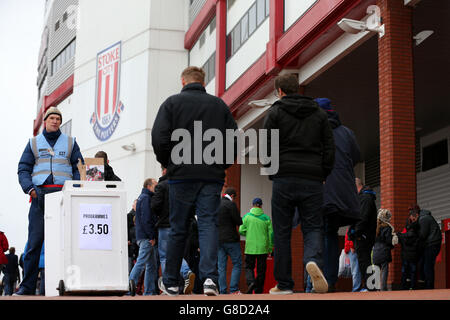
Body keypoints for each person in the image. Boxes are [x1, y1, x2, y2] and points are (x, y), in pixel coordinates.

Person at [152, 66, 238, 296]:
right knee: (208, 224)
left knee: (178, 227)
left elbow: (159, 137)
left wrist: (169, 163)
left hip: (181, 175)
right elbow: (233, 139)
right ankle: (211, 279)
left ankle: (170, 281)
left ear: (183, 81)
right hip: (211, 175)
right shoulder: (219, 106)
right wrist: (221, 164)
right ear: (203, 82)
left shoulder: (171, 104)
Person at [263, 74, 335, 294]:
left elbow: (268, 147)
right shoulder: (319, 114)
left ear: (280, 91)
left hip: (284, 178)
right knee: (313, 226)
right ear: (298, 89)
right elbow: (329, 148)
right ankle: (312, 261)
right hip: (312, 178)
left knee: (282, 231)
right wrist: (323, 172)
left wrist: (272, 172)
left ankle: (284, 284)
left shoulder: (274, 113)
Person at [16, 107, 83, 295]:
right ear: (45, 121)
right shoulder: (34, 143)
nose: (55, 121)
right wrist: (29, 188)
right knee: (34, 244)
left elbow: (79, 167)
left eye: (58, 119)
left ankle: (69, 285)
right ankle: (27, 287)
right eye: (51, 118)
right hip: (39, 197)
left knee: (66, 242)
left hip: (63, 197)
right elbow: (23, 168)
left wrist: (75, 188)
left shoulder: (71, 143)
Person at [315, 97, 361, 292]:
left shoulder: (313, 132)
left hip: (321, 189)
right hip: (341, 192)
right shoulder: (347, 133)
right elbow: (357, 157)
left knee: (317, 233)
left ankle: (317, 279)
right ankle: (330, 280)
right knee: (331, 233)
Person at [151, 167, 196, 295]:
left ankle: (169, 285)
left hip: (165, 225)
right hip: (181, 225)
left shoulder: (162, 186)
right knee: (177, 253)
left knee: (166, 256)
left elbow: (154, 205)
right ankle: (186, 272)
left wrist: (161, 214)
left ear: (164, 170)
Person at [129, 178, 159, 296]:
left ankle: (149, 291)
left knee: (151, 265)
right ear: (149, 186)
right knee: (141, 263)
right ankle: (129, 287)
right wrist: (151, 236)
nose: (156, 188)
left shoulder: (142, 197)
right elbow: (147, 219)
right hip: (147, 237)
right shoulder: (146, 198)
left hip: (142, 236)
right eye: (155, 186)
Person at [239, 198, 273, 294]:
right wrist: (270, 248)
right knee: (261, 271)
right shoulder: (266, 218)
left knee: (249, 267)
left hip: (250, 247)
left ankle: (251, 282)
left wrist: (249, 233)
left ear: (253, 205)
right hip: (263, 248)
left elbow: (241, 230)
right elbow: (271, 234)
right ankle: (258, 290)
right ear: (261, 206)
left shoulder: (246, 217)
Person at [217, 187, 243, 295]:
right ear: (232, 196)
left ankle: (222, 291)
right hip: (231, 239)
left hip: (218, 240)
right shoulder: (230, 205)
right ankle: (234, 290)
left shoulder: (216, 204)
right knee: (237, 263)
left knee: (221, 266)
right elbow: (238, 221)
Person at [354, 178, 377, 291]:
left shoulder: (365, 198)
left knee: (365, 261)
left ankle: (371, 286)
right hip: (366, 234)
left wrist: (356, 231)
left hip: (363, 235)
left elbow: (362, 217)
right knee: (366, 261)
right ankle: (371, 286)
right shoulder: (366, 197)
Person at [410, 204, 442, 289]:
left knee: (428, 266)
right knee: (427, 265)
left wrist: (415, 228)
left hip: (432, 244)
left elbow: (422, 235)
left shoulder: (423, 219)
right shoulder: (425, 217)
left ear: (416, 215)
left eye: (413, 219)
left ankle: (429, 287)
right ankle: (428, 285)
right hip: (433, 243)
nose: (413, 221)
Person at [372, 208, 395, 291]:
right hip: (384, 251)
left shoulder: (375, 228)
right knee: (384, 270)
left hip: (376, 251)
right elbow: (388, 240)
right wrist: (393, 245)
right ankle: (383, 288)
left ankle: (376, 288)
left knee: (377, 271)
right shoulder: (388, 228)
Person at [397, 211, 420, 290]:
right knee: (413, 271)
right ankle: (413, 286)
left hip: (405, 255)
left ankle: (403, 287)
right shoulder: (417, 234)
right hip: (413, 255)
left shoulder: (404, 235)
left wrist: (399, 234)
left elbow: (400, 237)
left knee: (404, 271)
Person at [127, 199, 139, 274]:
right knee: (130, 264)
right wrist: (127, 239)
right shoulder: (129, 216)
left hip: (137, 243)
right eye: (135, 205)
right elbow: (126, 228)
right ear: (133, 206)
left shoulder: (140, 215)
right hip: (131, 243)